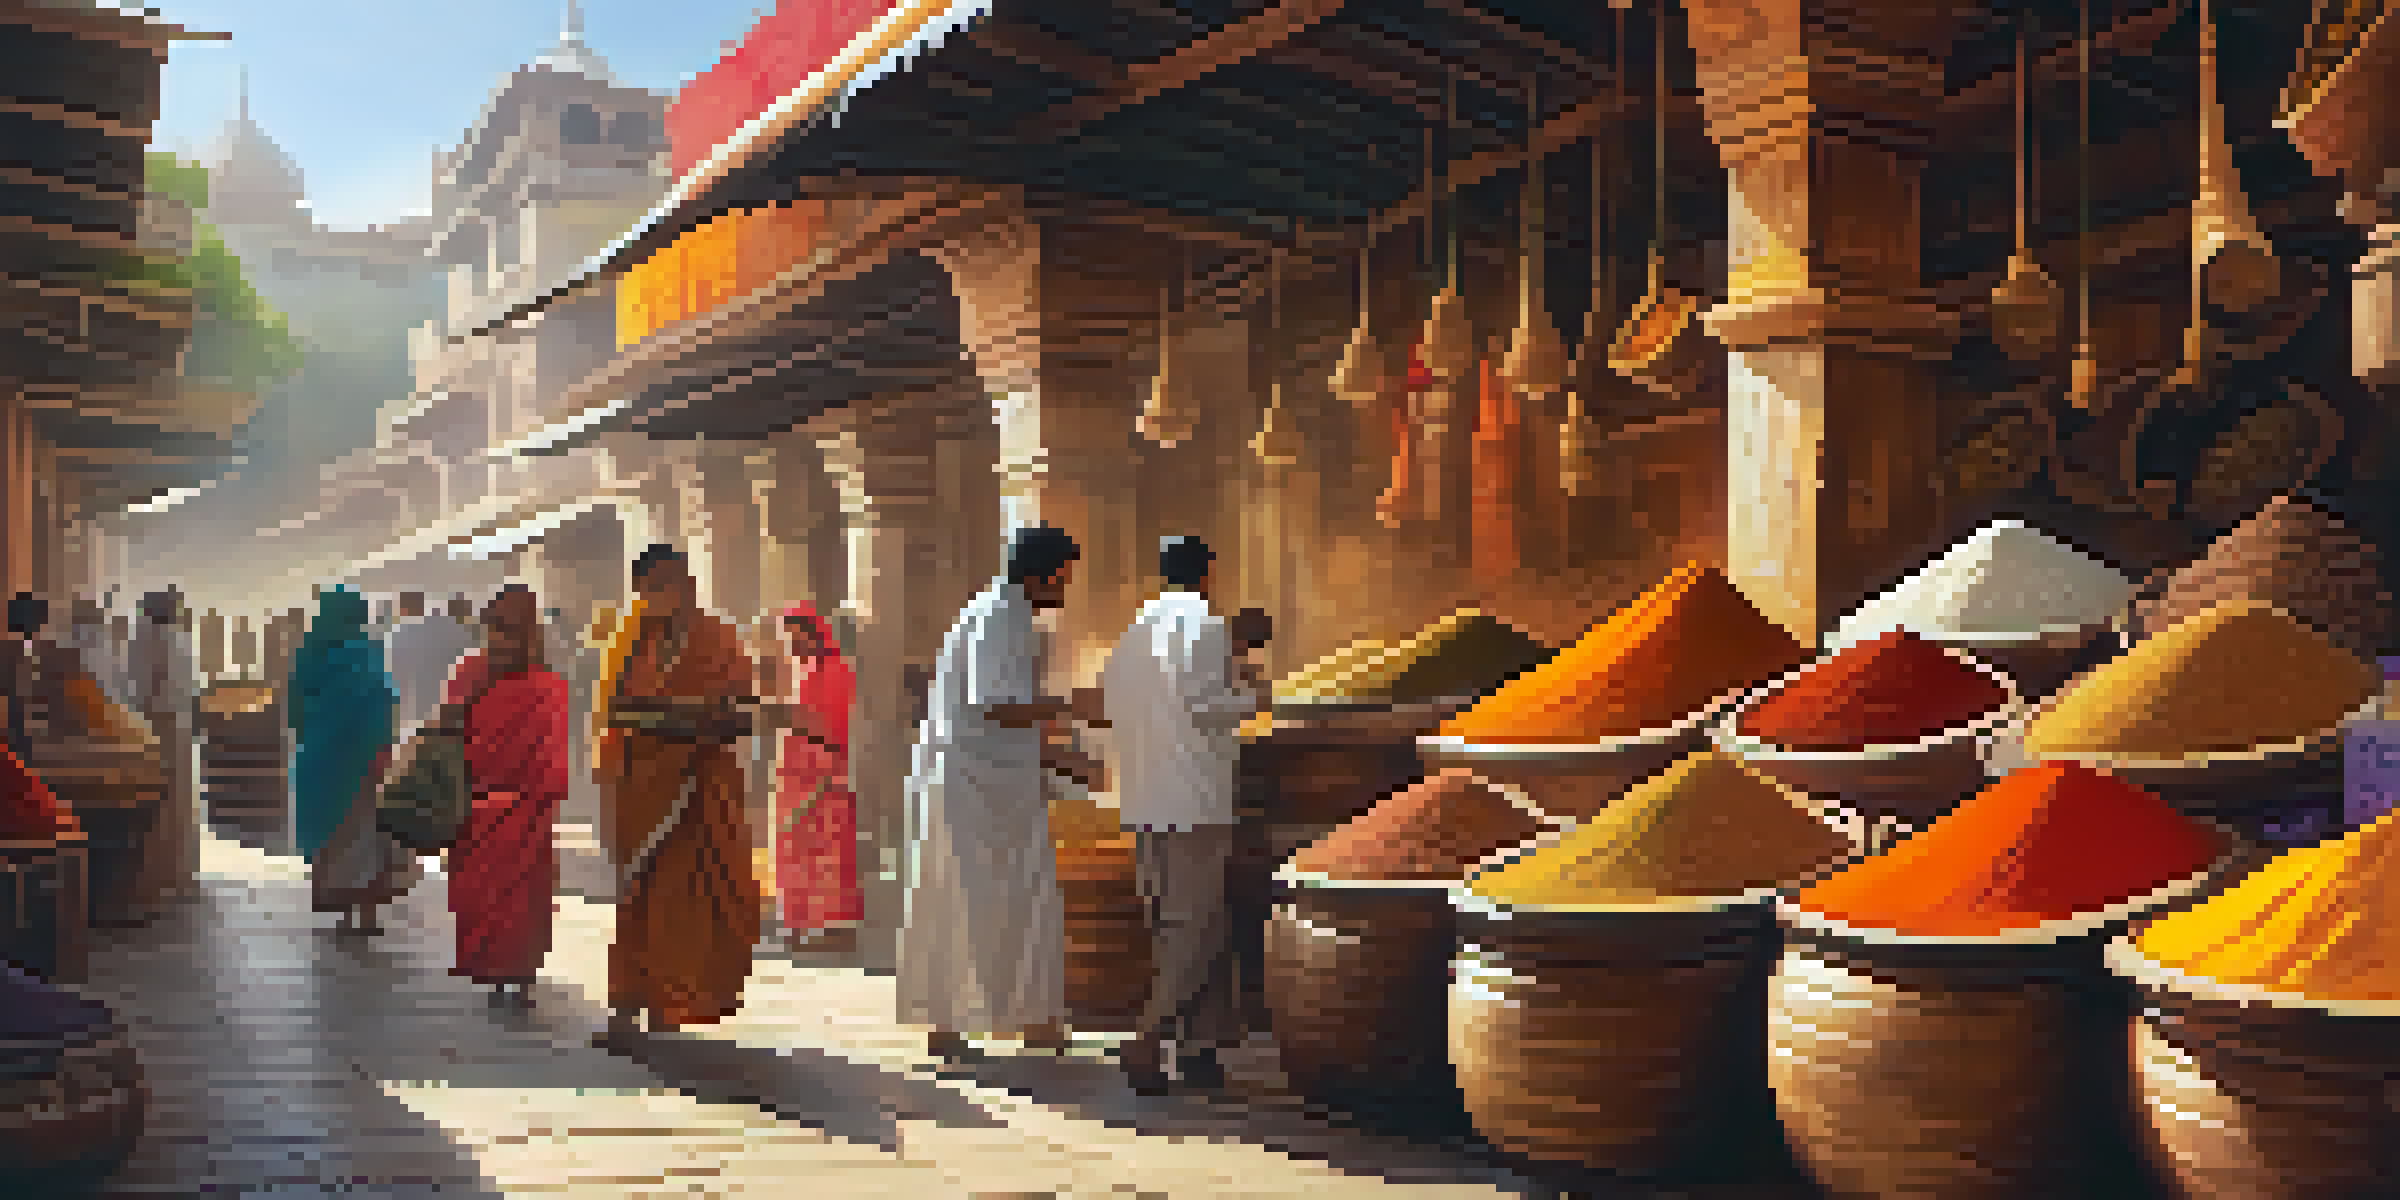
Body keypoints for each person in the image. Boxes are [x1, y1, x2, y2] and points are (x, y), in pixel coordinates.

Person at [897, 524, 1104, 1061]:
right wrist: (1071, 706)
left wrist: (1061, 756)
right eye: (1066, 574)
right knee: (971, 902)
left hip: (989, 781)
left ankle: (1020, 1019)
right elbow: (991, 703)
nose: (1068, 586)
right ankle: (967, 1022)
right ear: (1047, 572)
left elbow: (995, 715)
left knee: (1001, 901)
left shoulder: (1001, 612)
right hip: (974, 787)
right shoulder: (1001, 616)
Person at [1098, 536, 1270, 1092]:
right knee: (1193, 928)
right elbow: (1202, 703)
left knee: (1183, 923)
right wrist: (1263, 697)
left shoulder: (1134, 632)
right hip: (1193, 799)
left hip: (1145, 797)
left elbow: (1116, 702)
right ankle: (1148, 1039)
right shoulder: (1206, 624)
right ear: (1210, 573)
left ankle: (1201, 1048)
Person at [596, 545, 761, 1044]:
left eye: (673, 583)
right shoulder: (626, 642)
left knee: (690, 898)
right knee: (637, 897)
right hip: (640, 788)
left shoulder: (717, 636)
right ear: (639, 591)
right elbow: (615, 711)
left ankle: (674, 1001)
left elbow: (738, 706)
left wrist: (699, 717)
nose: (664, 595)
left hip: (700, 786)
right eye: (653, 587)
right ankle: (628, 999)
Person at [437, 586, 570, 1007]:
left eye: (509, 632)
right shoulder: (541, 683)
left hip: (505, 805)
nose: (502, 641)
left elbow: (446, 731)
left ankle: (510, 970)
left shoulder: (483, 674)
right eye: (496, 630)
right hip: (504, 803)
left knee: (506, 895)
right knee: (504, 894)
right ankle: (510, 970)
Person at [287, 587, 404, 935]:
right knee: (364, 830)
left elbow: (294, 707)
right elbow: (385, 700)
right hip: (363, 754)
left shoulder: (310, 652)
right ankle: (365, 915)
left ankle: (335, 904)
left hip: (320, 756)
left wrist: (313, 735)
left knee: (325, 828)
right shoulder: (367, 652)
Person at [763, 603, 861, 954]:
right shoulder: (803, 669)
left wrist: (784, 714)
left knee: (827, 851)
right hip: (796, 774)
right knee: (794, 849)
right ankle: (797, 922)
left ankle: (832, 925)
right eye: (787, 637)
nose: (791, 643)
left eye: (796, 635)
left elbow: (828, 725)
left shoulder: (835, 670)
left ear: (814, 633)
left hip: (823, 774)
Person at [128, 589, 201, 905]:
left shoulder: (148, 641)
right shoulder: (184, 642)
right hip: (181, 727)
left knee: (156, 799)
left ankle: (156, 871)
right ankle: (179, 869)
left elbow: (142, 687)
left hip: (155, 726)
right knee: (180, 797)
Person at [385, 590, 478, 740]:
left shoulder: (399, 633)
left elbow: (394, 670)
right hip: (441, 700)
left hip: (417, 700)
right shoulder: (453, 632)